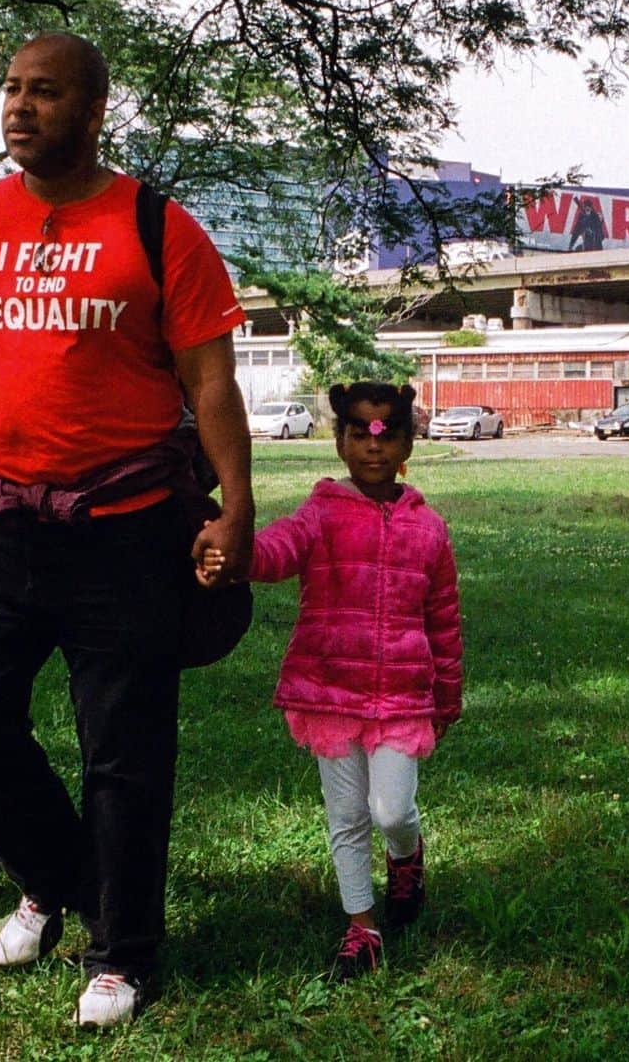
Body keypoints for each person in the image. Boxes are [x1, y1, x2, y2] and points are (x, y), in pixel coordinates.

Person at [0, 32, 254, 1027]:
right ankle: (56, 874)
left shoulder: (159, 226)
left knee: (122, 747)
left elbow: (211, 380)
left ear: (92, 111)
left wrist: (238, 501)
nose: (19, 107)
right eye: (10, 89)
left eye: (45, 92)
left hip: (126, 524)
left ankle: (121, 951)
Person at [200, 382, 462, 981]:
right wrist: (234, 554)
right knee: (347, 815)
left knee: (391, 810)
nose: (374, 448)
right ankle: (361, 926)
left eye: (388, 434)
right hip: (329, 692)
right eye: (359, 434)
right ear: (340, 443)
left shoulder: (431, 530)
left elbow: (444, 620)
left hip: (402, 698)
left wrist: (447, 695)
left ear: (407, 446)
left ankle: (405, 857)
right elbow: (276, 551)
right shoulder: (319, 513)